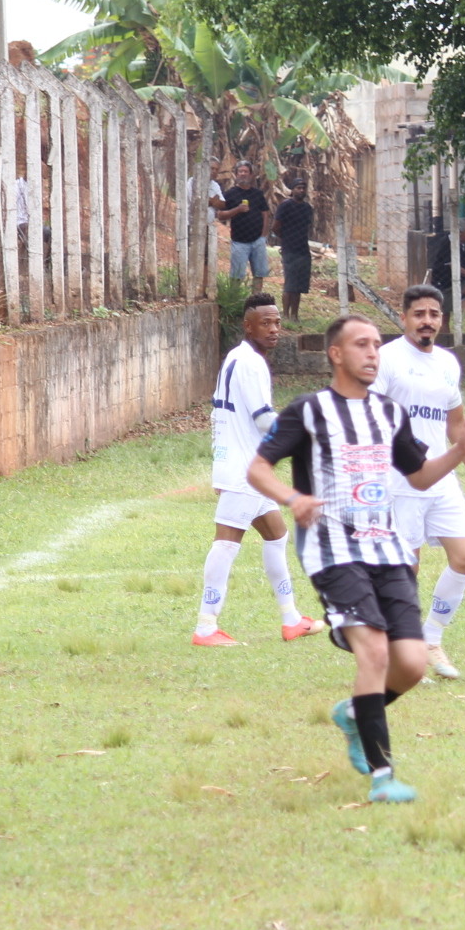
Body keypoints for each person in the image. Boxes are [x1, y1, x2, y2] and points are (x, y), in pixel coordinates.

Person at [244, 314, 465, 804]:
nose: (372, 353)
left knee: (411, 664)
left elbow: (420, 476)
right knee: (375, 652)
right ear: (335, 354)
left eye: (377, 345)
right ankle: (383, 776)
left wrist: (462, 449)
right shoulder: (309, 411)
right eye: (361, 345)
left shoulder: (388, 413)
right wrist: (292, 497)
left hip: (388, 547)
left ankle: (356, 713)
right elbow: (257, 468)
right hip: (333, 549)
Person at [373, 284, 465, 681]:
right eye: (419, 314)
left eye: (434, 315)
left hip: (441, 476)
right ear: (403, 317)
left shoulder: (448, 363)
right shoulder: (386, 360)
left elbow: (457, 427)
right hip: (400, 480)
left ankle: (431, 638)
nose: (427, 321)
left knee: (464, 558)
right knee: (406, 570)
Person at [193, 293, 325, 648]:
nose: (274, 329)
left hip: (238, 464)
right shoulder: (250, 363)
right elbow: (265, 420)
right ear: (247, 326)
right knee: (226, 543)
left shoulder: (237, 358)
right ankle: (206, 626)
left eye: (277, 322)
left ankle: (291, 618)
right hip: (245, 469)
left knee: (276, 534)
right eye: (265, 323)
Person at [219, 161, 271, 294]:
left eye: (245, 171)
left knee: (259, 274)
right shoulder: (230, 194)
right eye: (240, 171)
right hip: (239, 241)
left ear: (251, 174)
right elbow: (220, 215)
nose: (243, 174)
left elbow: (265, 213)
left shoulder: (257, 194)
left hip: (258, 240)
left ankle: (256, 300)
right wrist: (237, 209)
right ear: (236, 174)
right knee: (237, 275)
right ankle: (234, 299)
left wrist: (263, 235)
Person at [272, 176, 314, 322]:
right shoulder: (285, 206)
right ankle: (285, 314)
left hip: (303, 250)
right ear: (292, 190)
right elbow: (276, 227)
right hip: (289, 249)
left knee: (299, 286)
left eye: (303, 188)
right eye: (298, 188)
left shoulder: (307, 208)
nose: (301, 190)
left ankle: (295, 315)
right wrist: (285, 239)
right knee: (289, 284)